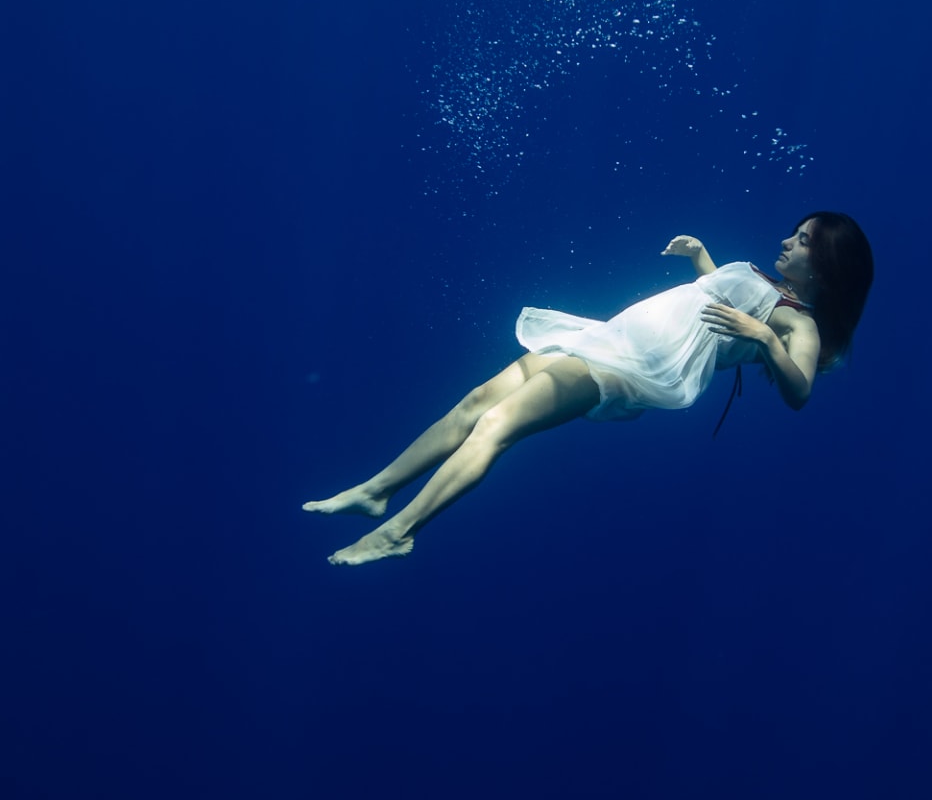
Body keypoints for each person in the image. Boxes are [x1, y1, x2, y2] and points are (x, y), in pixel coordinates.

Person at [304, 212, 874, 565]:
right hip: (605, 340)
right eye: (794, 233)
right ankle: (377, 491)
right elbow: (715, 304)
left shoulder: (799, 324)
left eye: (801, 240)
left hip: (623, 372)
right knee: (476, 401)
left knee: (496, 426)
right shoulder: (762, 283)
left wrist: (766, 339)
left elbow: (798, 391)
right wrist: (703, 258)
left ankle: (398, 533)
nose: (786, 240)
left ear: (822, 266)